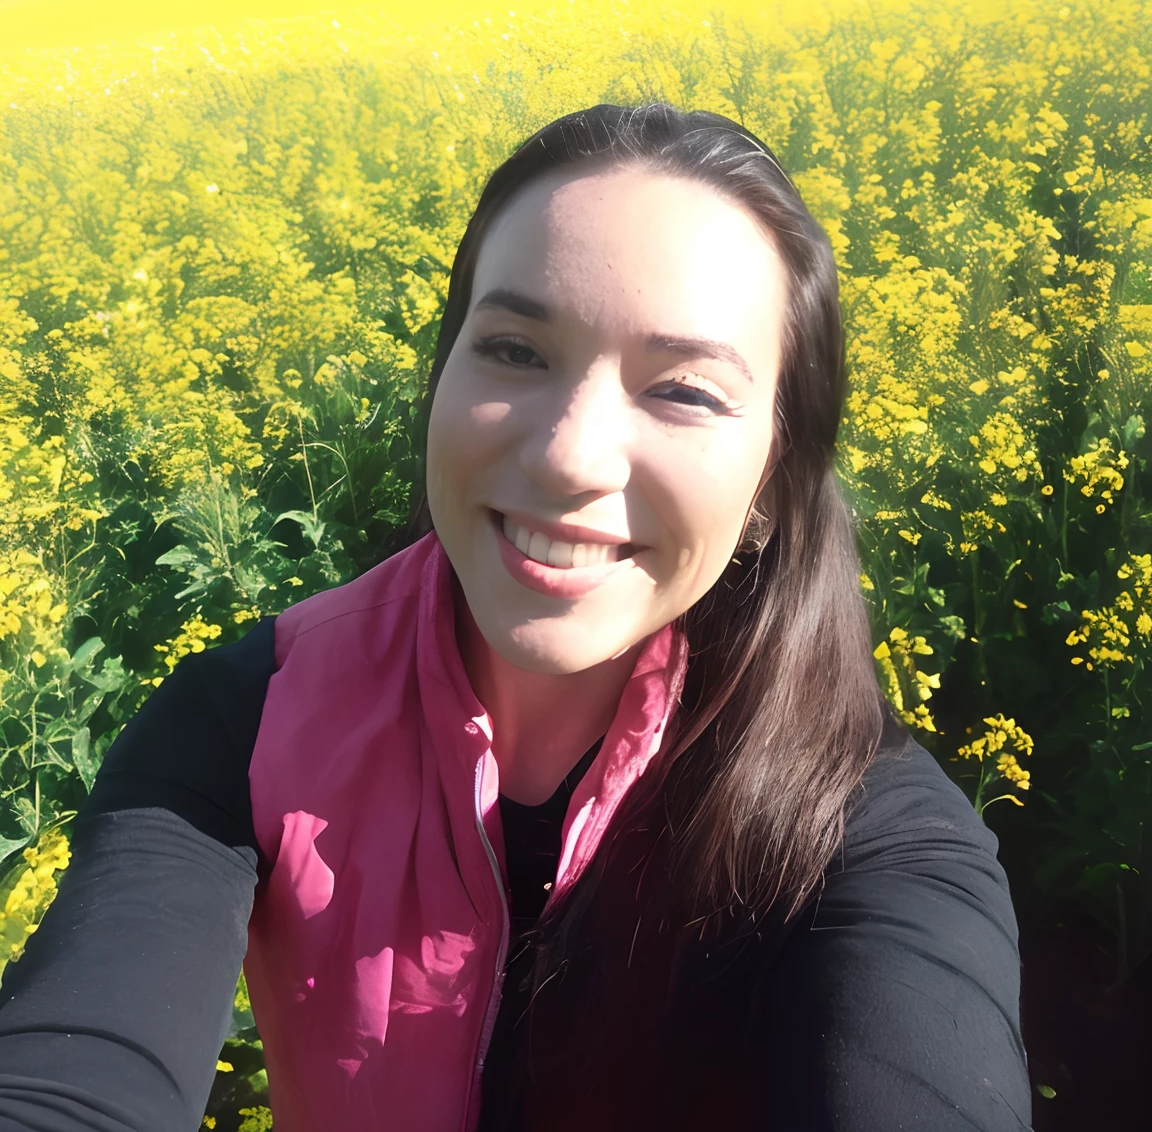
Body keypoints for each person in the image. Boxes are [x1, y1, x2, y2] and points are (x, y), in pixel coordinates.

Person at [0, 102, 1032, 1131]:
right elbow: (79, 1068)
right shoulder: (241, 726)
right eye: (515, 351)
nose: (566, 457)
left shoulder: (867, 833)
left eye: (682, 390)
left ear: (773, 485)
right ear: (443, 373)